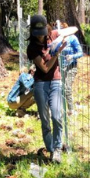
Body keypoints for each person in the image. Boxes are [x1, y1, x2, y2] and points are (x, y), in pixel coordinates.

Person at [27, 15, 66, 164]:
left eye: (43, 32)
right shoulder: (32, 48)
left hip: (55, 81)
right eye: (38, 34)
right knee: (45, 119)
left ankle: (57, 148)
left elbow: (72, 30)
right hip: (41, 83)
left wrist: (61, 37)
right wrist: (56, 54)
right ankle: (50, 149)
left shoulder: (53, 35)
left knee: (56, 115)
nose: (41, 37)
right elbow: (44, 68)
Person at [59, 22, 83, 116]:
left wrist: (72, 56)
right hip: (61, 67)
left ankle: (71, 110)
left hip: (71, 66)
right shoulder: (58, 40)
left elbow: (80, 52)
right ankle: (61, 108)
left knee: (67, 88)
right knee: (60, 88)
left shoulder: (73, 38)